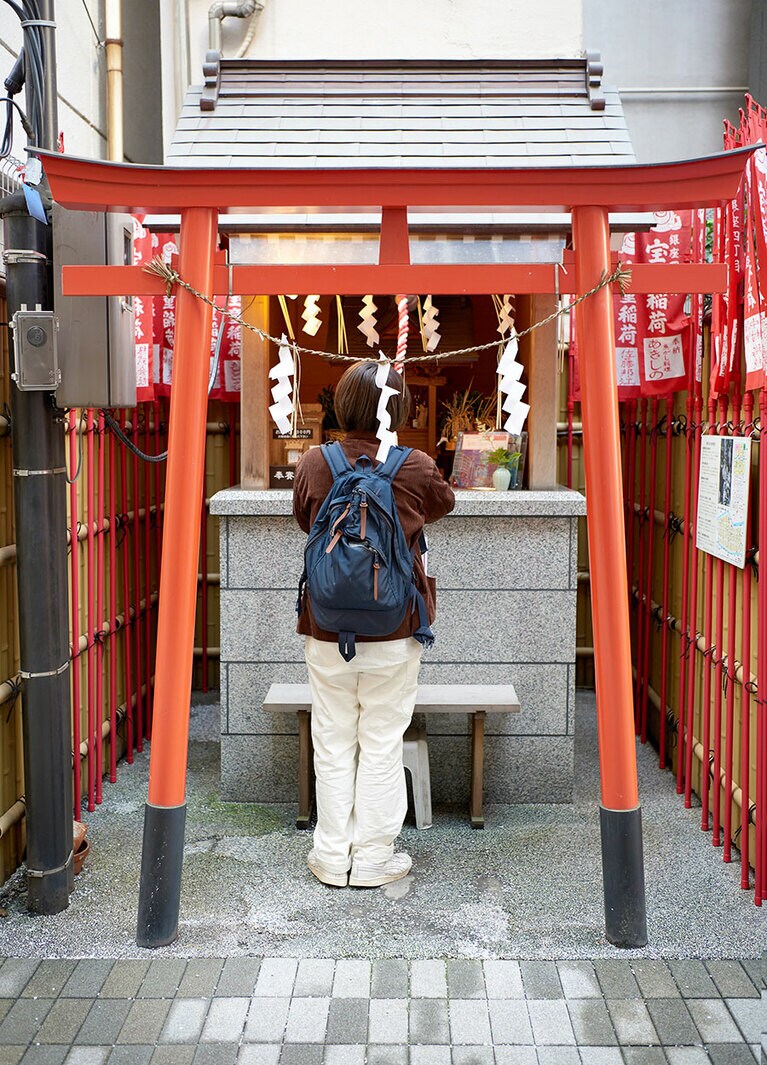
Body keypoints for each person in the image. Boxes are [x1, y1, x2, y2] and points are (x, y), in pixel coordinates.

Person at [292, 360, 455, 889]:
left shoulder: (317, 463)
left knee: (333, 741)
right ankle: (373, 859)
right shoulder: (416, 465)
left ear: (341, 405)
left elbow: (304, 519)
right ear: (401, 407)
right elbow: (443, 505)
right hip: (395, 627)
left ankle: (331, 856)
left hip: (325, 628)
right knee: (382, 742)